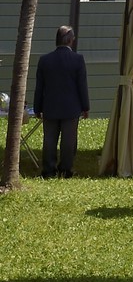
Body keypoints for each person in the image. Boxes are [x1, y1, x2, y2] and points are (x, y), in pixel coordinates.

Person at [32, 26, 89, 179]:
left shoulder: (45, 60)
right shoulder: (78, 59)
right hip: (71, 106)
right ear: (70, 40)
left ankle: (49, 170)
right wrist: (85, 106)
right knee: (68, 141)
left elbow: (40, 87)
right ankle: (66, 169)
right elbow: (81, 85)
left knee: (49, 139)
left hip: (50, 106)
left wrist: (37, 107)